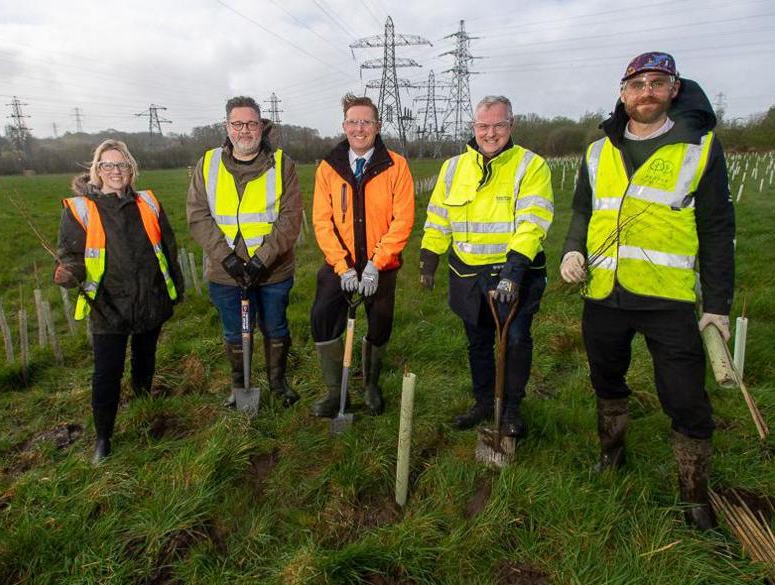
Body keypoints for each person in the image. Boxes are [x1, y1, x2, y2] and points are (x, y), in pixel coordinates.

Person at [559, 52, 735, 530]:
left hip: (667, 298)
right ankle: (611, 455)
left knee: (684, 397)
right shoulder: (598, 151)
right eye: (637, 85)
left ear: (674, 89)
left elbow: (718, 229)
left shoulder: (699, 148)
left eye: (657, 83)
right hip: (604, 294)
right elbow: (581, 209)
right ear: (623, 93)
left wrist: (716, 306)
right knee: (606, 380)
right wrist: (572, 251)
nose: (647, 92)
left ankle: (694, 494)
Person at [420, 95, 554, 438]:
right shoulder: (453, 168)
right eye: (483, 126)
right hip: (467, 275)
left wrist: (514, 270)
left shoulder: (530, 165)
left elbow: (532, 221)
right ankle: (483, 402)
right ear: (474, 127)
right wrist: (429, 258)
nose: (490, 133)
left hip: (515, 273)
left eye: (498, 125)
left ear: (511, 125)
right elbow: (438, 218)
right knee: (477, 342)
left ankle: (509, 409)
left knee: (516, 340)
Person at [54, 139, 184, 464]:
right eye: (107, 165)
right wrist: (69, 273)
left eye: (121, 164)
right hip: (107, 306)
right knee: (106, 373)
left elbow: (168, 247)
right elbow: (71, 255)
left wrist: (174, 288)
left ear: (131, 169)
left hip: (148, 299)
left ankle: (143, 413)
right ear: (96, 170)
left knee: (144, 360)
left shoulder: (148, 203)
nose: (115, 171)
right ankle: (103, 438)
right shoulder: (81, 208)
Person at [187, 96, 302, 408]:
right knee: (235, 331)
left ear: (261, 127)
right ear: (227, 127)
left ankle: (278, 384)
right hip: (225, 273)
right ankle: (240, 387)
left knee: (275, 326)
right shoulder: (207, 164)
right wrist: (227, 259)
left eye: (251, 123)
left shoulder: (283, 164)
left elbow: (291, 220)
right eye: (237, 124)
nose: (245, 130)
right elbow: (198, 215)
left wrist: (260, 261)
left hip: (273, 270)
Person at [309, 95, 415, 417]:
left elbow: (403, 219)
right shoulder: (329, 168)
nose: (359, 128)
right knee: (322, 319)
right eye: (353, 122)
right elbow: (321, 221)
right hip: (339, 264)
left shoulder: (396, 166)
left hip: (380, 265)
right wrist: (342, 267)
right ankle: (334, 391)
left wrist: (375, 264)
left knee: (380, 323)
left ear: (378, 126)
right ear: (343, 126)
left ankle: (371, 385)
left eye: (366, 122)